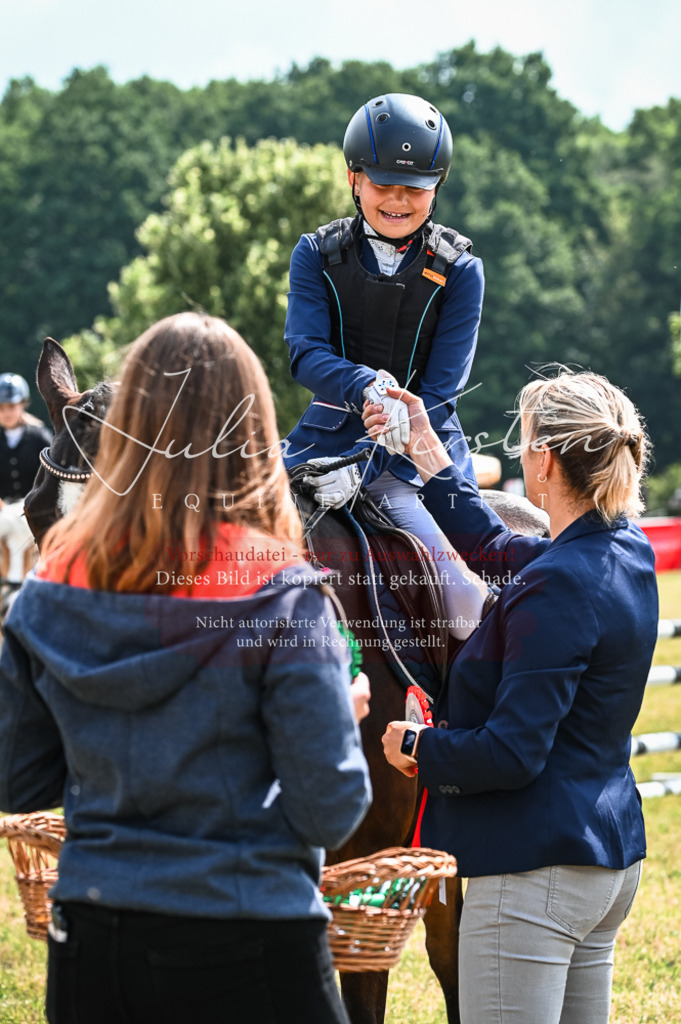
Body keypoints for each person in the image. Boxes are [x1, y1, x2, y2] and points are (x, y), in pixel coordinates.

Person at [0, 312, 372, 1024]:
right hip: (253, 932)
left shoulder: (46, 596)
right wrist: (339, 716)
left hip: (93, 938)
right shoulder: (284, 596)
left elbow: (16, 780)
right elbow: (328, 807)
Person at [364, 369, 658, 1024]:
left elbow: (510, 754)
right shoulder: (623, 551)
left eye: (523, 440)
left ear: (543, 461)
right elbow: (493, 546)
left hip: (535, 874)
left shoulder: (559, 581)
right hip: (601, 864)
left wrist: (418, 746)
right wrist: (429, 455)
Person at [283, 92, 491, 639]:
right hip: (322, 445)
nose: (397, 200)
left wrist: (368, 466)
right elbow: (305, 353)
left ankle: (464, 718)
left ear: (436, 188)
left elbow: (442, 389)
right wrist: (366, 386)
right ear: (354, 178)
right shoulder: (315, 254)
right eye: (382, 184)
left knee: (467, 605)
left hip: (418, 459)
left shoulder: (461, 270)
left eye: (415, 189)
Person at [0, 372, 51, 583]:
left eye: (11, 406)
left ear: (22, 404)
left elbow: (51, 477)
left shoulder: (40, 436)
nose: (6, 413)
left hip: (31, 510)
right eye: (1, 408)